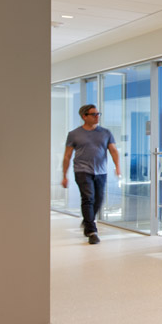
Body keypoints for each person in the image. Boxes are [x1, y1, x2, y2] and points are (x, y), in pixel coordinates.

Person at [61, 104, 120, 245]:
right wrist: (64, 175)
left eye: (98, 114)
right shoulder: (74, 134)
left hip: (101, 171)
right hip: (82, 171)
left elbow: (113, 151)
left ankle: (87, 221)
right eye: (93, 114)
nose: (97, 116)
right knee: (88, 198)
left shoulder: (106, 132)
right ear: (84, 116)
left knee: (98, 200)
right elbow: (67, 156)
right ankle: (92, 231)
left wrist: (117, 166)